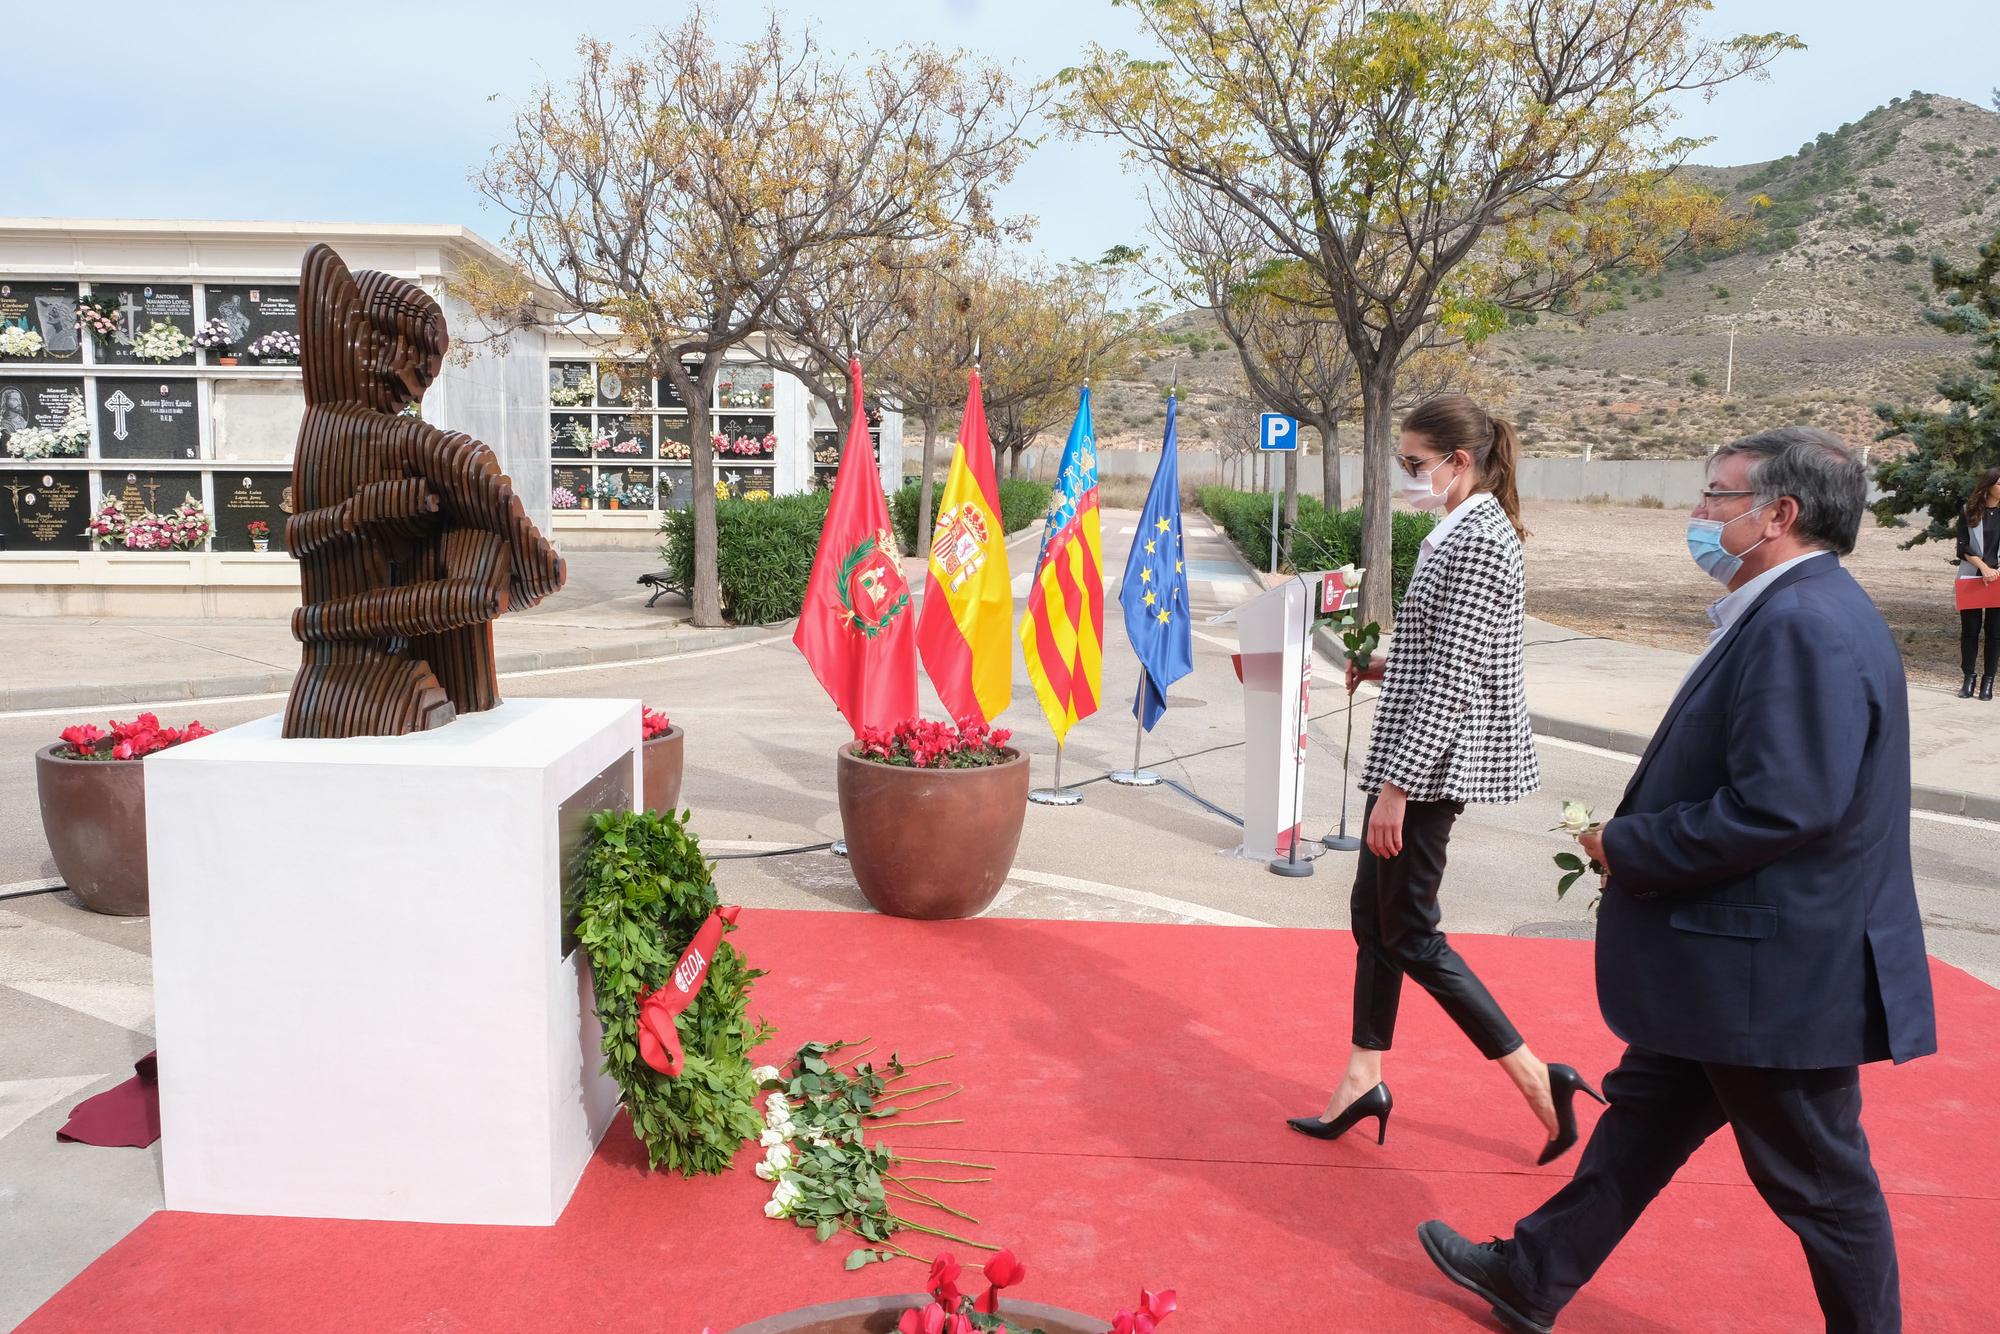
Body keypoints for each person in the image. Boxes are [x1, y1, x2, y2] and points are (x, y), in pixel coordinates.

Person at [1417, 427, 1937, 1334]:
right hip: (1733, 964)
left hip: (1772, 976)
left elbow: (1782, 806)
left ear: (1780, 514)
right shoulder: (1792, 610)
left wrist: (1629, 845)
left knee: (1822, 1186)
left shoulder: (1806, 623)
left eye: (1717, 499)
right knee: (1645, 1120)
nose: (1697, 516)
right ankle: (1532, 1274)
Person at [1287, 395, 1602, 1165]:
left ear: (1460, 460)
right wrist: (1384, 661)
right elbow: (1444, 655)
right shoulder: (1459, 527)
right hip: (1418, 749)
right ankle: (1363, 1076)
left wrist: (1397, 786)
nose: (1407, 477)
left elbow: (1458, 678)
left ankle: (1536, 1078)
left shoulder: (1484, 539)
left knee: (1413, 933)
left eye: (1414, 464)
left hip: (1431, 764)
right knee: (1374, 916)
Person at [1955, 467, 2000, 699]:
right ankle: (1968, 679)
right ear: (1989, 485)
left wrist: (1994, 572)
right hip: (1973, 576)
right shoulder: (1968, 510)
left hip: (1999, 580)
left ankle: (1988, 682)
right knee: (1970, 631)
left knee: (1995, 633)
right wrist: (1983, 568)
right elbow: (1962, 548)